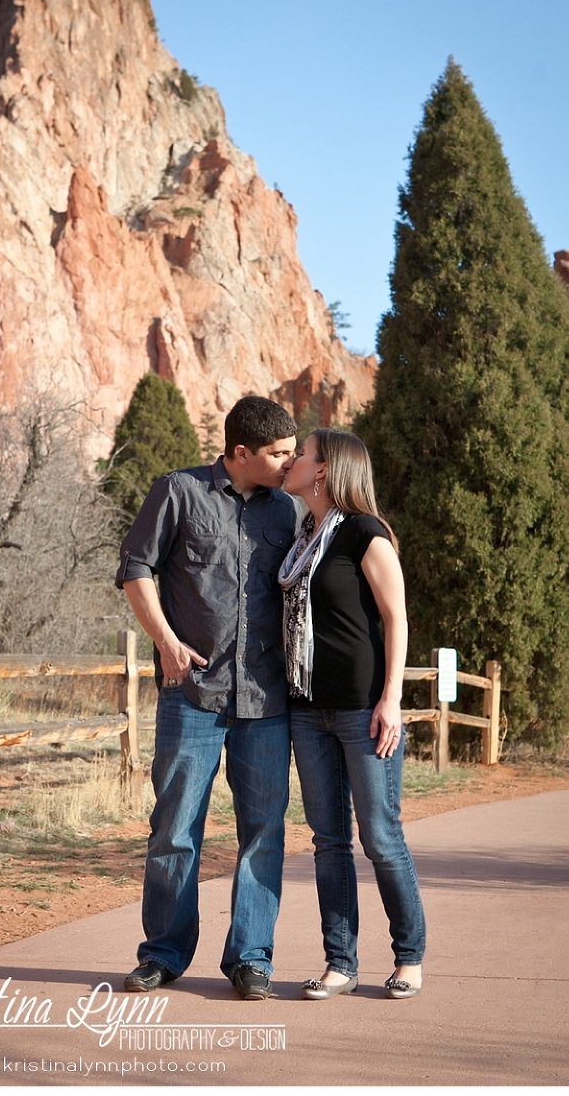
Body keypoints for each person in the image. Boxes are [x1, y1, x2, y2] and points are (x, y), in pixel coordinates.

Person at [115, 395, 298, 1000]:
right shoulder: (178, 491)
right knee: (174, 827)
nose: (288, 463)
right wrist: (164, 642)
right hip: (191, 694)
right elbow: (135, 567)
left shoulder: (290, 512)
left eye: (293, 453)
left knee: (263, 830)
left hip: (267, 702)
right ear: (240, 452)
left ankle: (251, 957)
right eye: (277, 454)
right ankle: (164, 954)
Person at [279, 428, 425, 1000]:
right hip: (307, 711)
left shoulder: (366, 533)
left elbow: (397, 619)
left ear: (323, 470)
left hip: (365, 712)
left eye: (302, 454)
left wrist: (391, 700)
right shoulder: (302, 538)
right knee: (329, 841)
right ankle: (341, 963)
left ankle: (409, 957)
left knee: (381, 836)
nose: (291, 461)